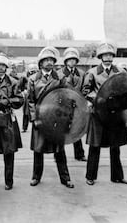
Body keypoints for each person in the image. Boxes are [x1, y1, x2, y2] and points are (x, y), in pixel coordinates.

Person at [82, 42, 127, 186]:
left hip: (115, 115)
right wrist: (100, 99)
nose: (108, 58)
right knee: (95, 146)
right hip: (98, 114)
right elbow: (85, 92)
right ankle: (90, 176)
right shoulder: (92, 73)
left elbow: (126, 89)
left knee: (115, 147)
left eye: (110, 55)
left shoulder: (120, 72)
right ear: (100, 57)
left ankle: (117, 176)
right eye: (105, 55)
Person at [28, 46, 74, 188]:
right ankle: (36, 177)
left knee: (60, 151)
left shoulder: (61, 78)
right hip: (41, 118)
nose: (49, 62)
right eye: (46, 60)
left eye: (51, 60)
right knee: (38, 149)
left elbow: (67, 97)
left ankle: (65, 178)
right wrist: (34, 118)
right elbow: (30, 101)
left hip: (56, 119)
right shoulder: (33, 79)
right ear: (40, 63)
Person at [0, 54, 23, 190]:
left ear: (6, 67)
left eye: (3, 66)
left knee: (9, 152)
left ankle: (9, 181)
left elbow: (20, 99)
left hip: (8, 119)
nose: (0, 68)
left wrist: (7, 101)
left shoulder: (13, 82)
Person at [57, 47, 87, 161]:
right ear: (65, 61)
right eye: (69, 60)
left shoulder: (82, 74)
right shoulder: (59, 74)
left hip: (77, 105)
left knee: (77, 129)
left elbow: (85, 88)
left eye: (74, 59)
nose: (72, 61)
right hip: (64, 105)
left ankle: (79, 154)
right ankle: (59, 154)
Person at [20, 61, 38, 133]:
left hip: (34, 96)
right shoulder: (24, 78)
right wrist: (23, 91)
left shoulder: (37, 77)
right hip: (27, 97)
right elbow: (20, 86)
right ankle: (24, 127)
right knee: (26, 113)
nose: (33, 72)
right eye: (32, 71)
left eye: (34, 71)